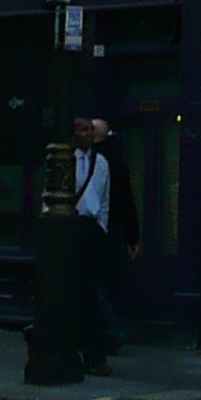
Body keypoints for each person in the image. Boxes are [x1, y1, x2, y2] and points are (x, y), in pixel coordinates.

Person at [72, 117, 139, 374]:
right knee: (81, 292)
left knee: (90, 292)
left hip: (93, 229)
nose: (87, 135)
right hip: (70, 228)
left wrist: (101, 226)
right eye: (82, 130)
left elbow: (108, 198)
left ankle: (94, 353)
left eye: (90, 131)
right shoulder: (65, 159)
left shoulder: (102, 163)